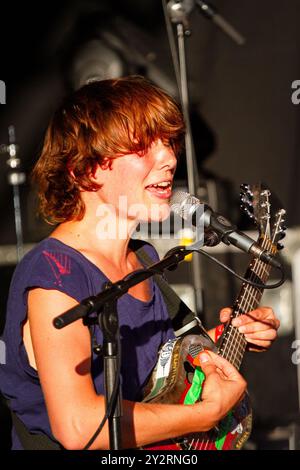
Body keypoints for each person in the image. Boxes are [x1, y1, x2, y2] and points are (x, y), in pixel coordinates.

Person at [0, 76, 280, 450]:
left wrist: (230, 337)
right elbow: (78, 426)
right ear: (86, 169)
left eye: (168, 142)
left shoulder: (143, 257)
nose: (168, 158)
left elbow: (158, 372)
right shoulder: (55, 275)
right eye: (143, 146)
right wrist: (205, 414)